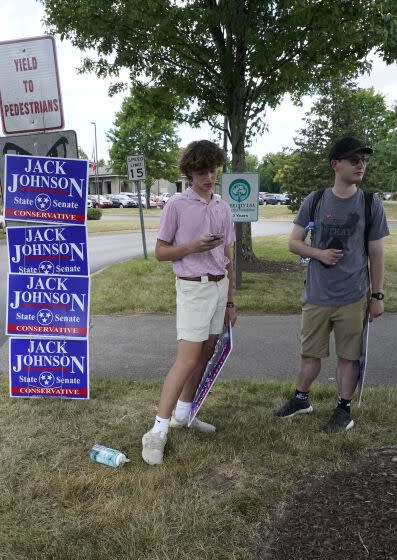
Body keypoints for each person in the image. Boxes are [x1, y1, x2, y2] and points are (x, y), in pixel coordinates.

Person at [274, 136, 388, 433]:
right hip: (317, 294)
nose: (360, 165)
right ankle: (301, 399)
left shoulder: (369, 202)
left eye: (363, 160)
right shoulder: (315, 200)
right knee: (309, 354)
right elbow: (294, 243)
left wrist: (377, 295)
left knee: (349, 357)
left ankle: (343, 409)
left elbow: (376, 252)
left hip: (353, 295)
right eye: (354, 160)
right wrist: (319, 253)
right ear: (335, 165)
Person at [141, 140, 237, 466]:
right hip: (192, 288)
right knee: (186, 358)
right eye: (201, 172)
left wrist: (231, 301)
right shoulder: (176, 206)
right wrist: (192, 247)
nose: (209, 177)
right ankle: (157, 430)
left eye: (212, 170)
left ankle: (186, 412)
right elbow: (160, 252)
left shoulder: (223, 207)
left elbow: (228, 255)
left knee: (205, 355)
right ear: (189, 172)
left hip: (218, 288)